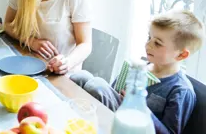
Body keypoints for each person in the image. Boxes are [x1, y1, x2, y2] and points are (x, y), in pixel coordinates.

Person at [71, 10, 205, 133]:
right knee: (80, 77)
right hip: (118, 114)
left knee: (95, 85)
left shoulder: (181, 90)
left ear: (181, 55)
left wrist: (139, 108)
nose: (148, 45)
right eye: (149, 38)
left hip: (132, 128)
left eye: (157, 43)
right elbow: (112, 93)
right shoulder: (140, 68)